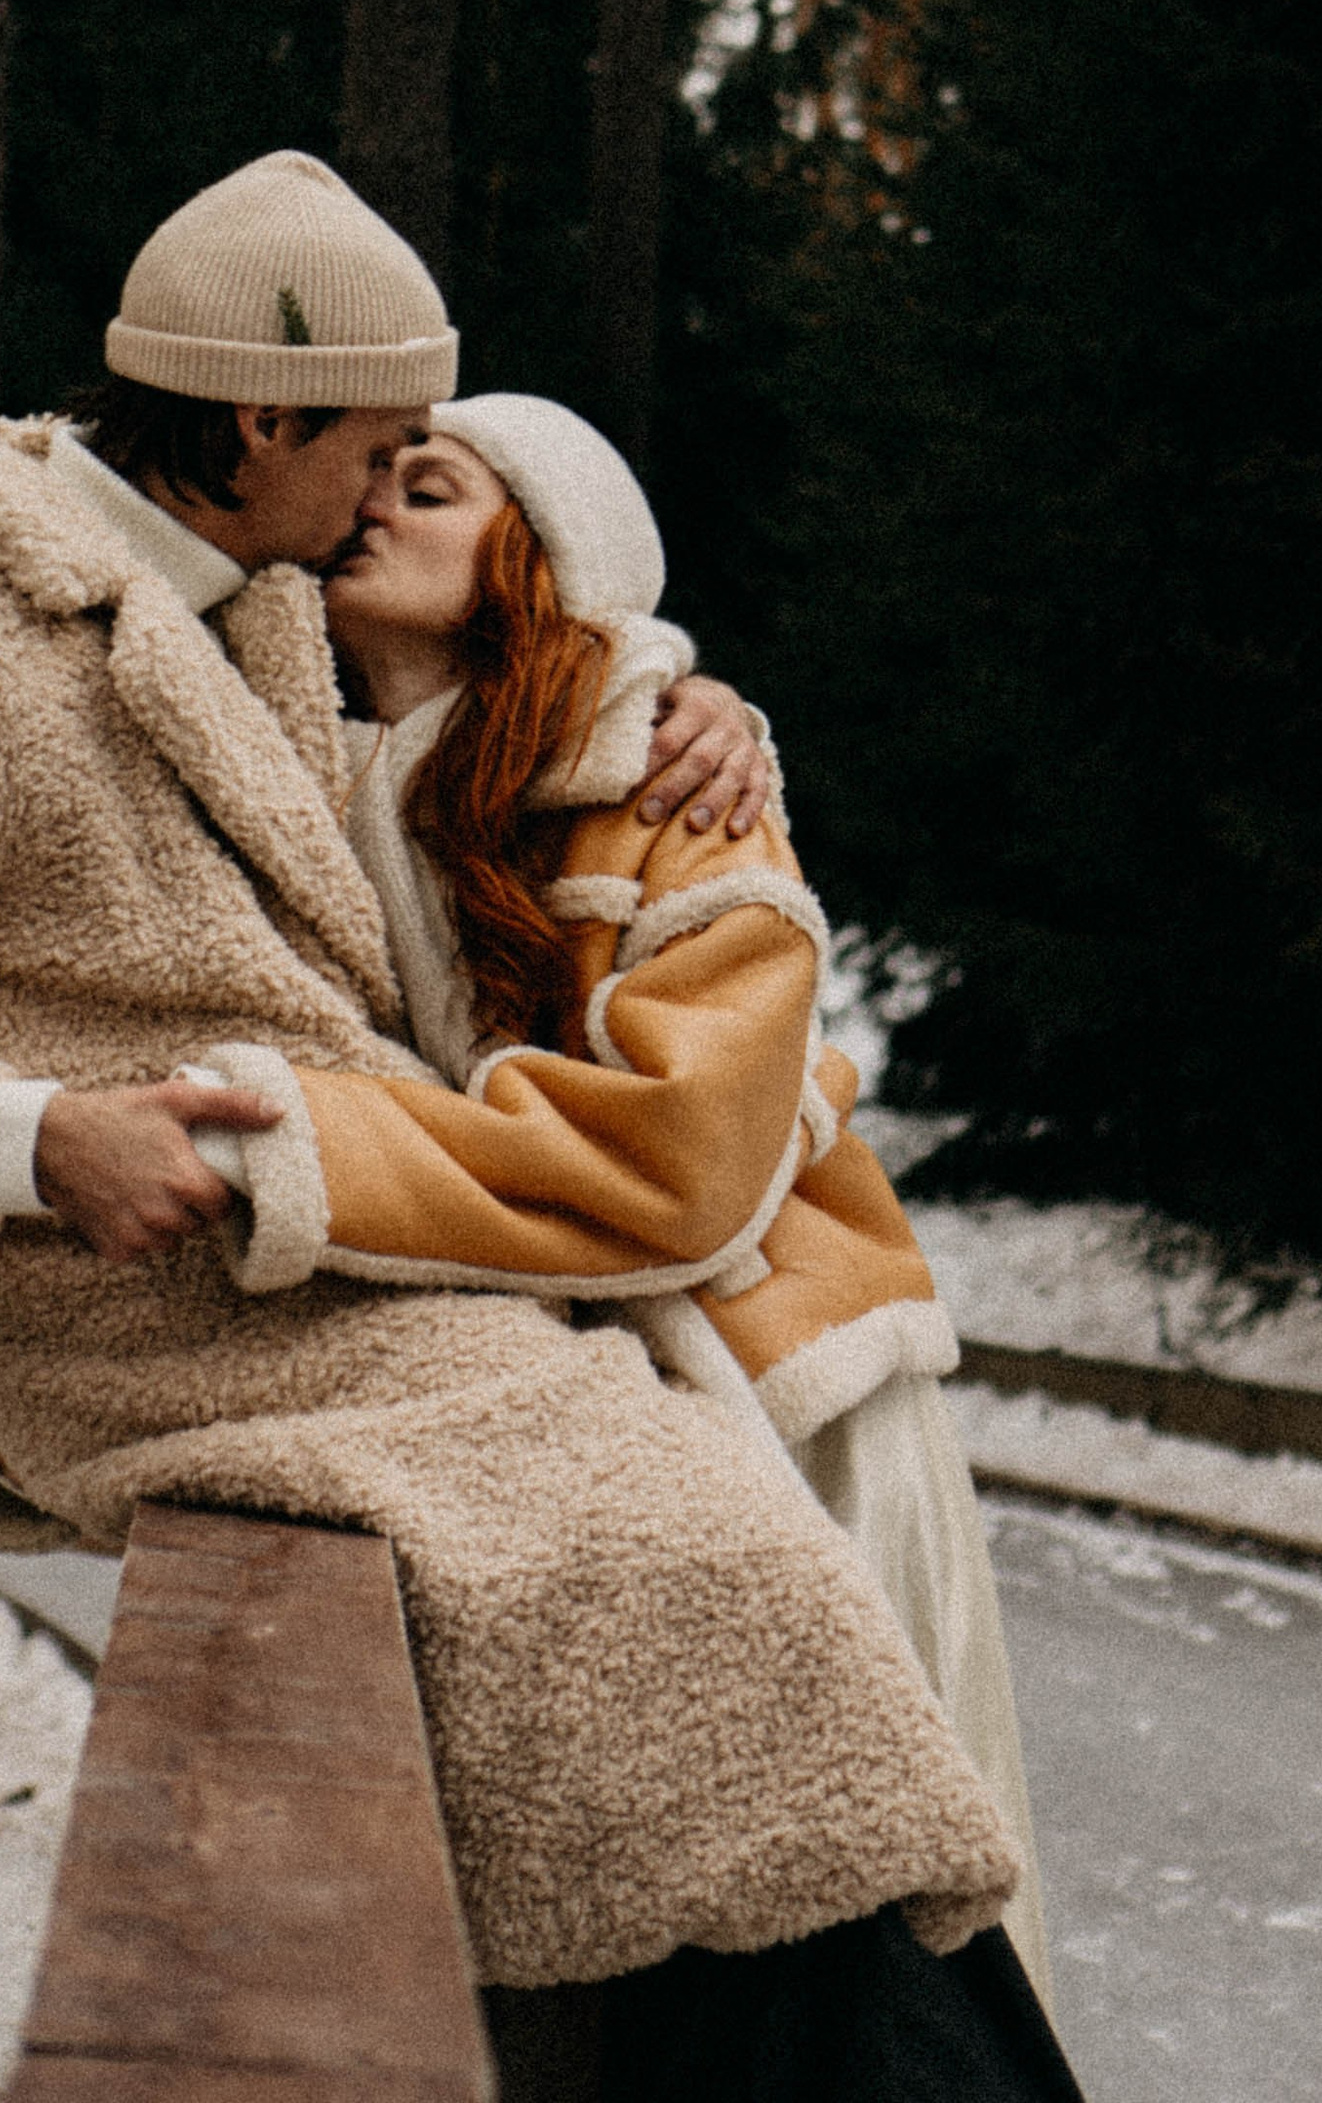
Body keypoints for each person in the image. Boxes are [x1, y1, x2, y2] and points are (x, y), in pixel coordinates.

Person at [0, 152, 1078, 2098]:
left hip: (357, 1303)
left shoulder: (250, 601)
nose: (388, 490)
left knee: (722, 1619)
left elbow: (503, 733)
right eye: (376, 444)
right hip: (166, 1314)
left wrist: (694, 703)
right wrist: (35, 1138)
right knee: (700, 1591)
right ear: (262, 415)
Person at [182, 390, 1054, 2025]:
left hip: (785, 1416)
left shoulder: (670, 781)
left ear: (540, 555)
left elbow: (683, 1168)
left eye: (428, 485)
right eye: (367, 472)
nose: (375, 503)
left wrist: (311, 1150)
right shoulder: (302, 774)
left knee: (836, 1954)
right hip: (568, 1431)